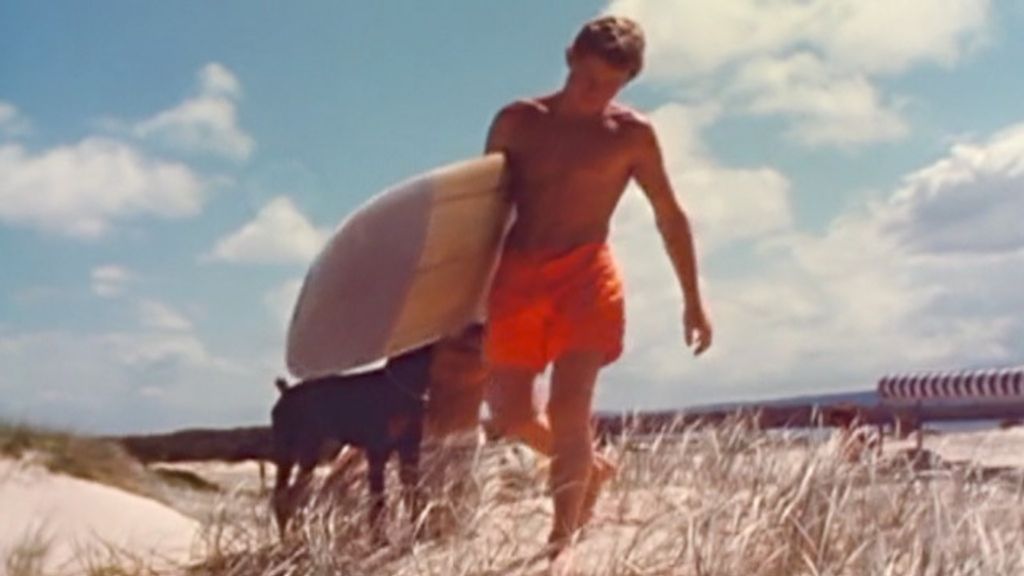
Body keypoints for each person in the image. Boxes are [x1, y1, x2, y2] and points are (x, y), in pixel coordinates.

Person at [482, 15, 713, 555]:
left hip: (586, 277)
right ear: (569, 57)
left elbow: (669, 215)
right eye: (587, 78)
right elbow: (479, 210)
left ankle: (560, 545)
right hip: (517, 275)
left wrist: (693, 302)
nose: (594, 93)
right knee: (512, 416)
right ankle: (593, 467)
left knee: (570, 410)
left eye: (610, 85)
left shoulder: (631, 135)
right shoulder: (517, 122)